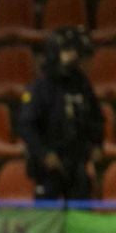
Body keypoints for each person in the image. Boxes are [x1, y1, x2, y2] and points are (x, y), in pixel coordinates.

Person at [16, 25, 101, 202]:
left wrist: (97, 144)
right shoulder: (40, 87)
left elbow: (96, 118)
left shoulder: (83, 86)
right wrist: (43, 153)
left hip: (77, 165)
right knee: (47, 213)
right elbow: (26, 125)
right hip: (49, 168)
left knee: (81, 210)